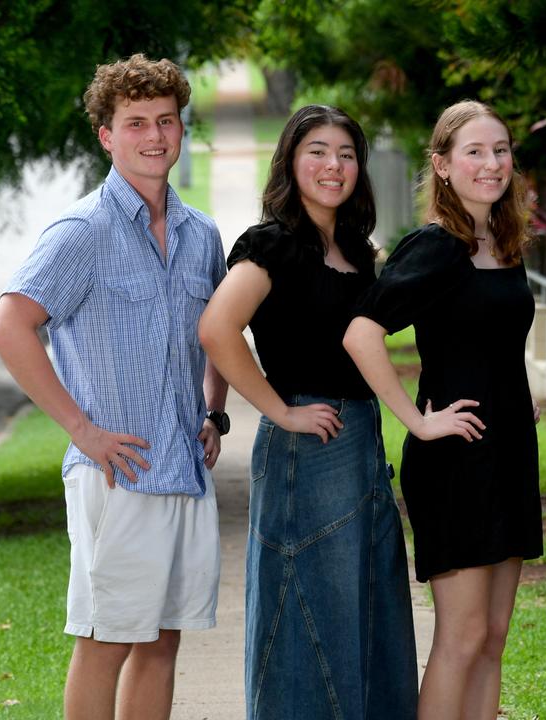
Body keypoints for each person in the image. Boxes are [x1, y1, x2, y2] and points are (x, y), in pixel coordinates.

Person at [0, 54, 227, 719]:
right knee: (105, 640)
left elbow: (220, 335)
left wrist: (216, 411)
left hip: (183, 467)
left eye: (167, 121)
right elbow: (9, 327)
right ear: (106, 135)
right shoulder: (82, 231)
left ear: (181, 130)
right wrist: (82, 431)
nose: (155, 136)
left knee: (163, 639)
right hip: (115, 474)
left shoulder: (200, 232)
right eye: (137, 123)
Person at [197, 105, 417, 719]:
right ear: (291, 162)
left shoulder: (355, 250)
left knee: (368, 610)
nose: (333, 165)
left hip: (361, 445)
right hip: (305, 448)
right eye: (317, 150)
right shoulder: (274, 244)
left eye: (346, 154)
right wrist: (280, 410)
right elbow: (217, 329)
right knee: (306, 613)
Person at [343, 99, 541, 720]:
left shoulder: (504, 242)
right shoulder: (436, 245)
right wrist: (418, 420)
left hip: (508, 452)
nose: (491, 163)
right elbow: (361, 333)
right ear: (444, 165)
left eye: (500, 150)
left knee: (493, 637)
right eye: (474, 152)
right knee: (461, 637)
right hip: (455, 460)